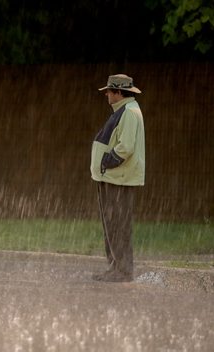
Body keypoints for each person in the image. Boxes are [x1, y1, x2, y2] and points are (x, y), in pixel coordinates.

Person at [90, 74, 145, 282]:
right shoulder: (124, 111)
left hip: (118, 178)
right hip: (113, 177)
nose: (106, 94)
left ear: (119, 92)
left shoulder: (129, 113)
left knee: (118, 225)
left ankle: (122, 271)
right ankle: (115, 268)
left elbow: (126, 147)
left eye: (109, 91)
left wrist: (106, 161)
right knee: (112, 224)